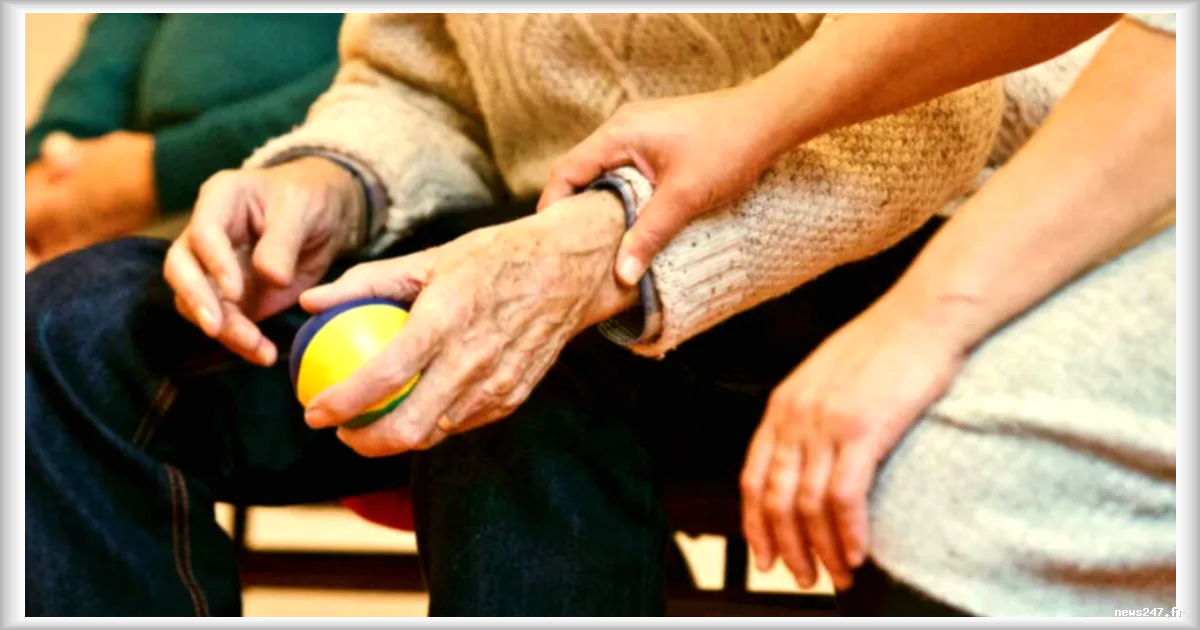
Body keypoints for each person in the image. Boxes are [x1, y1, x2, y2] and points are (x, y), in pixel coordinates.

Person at [24, 13, 1007, 617]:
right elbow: (418, 84)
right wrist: (333, 181)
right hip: (519, 237)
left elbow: (932, 114)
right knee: (72, 328)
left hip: (870, 247)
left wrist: (597, 252)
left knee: (515, 366)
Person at [545, 13, 1176, 616]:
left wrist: (919, 319)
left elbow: (947, 117)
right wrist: (751, 117)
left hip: (978, 207)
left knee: (958, 487)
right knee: (532, 376)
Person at [24, 13, 346, 273]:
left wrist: (157, 172)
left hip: (277, 199)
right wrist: (45, 166)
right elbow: (110, 49)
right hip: (98, 199)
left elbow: (374, 82)